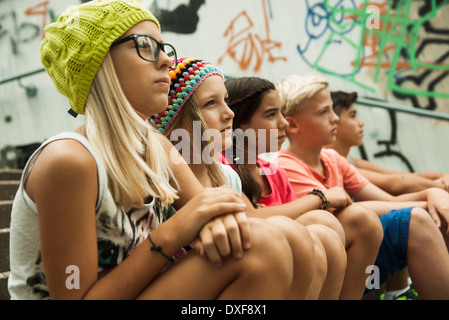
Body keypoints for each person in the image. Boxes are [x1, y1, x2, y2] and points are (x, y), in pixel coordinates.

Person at [8, 0, 295, 300]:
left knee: (290, 239)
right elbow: (73, 296)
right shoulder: (69, 161)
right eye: (145, 46)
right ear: (98, 64)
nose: (166, 62)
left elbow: (213, 215)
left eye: (164, 48)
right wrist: (174, 232)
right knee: (263, 247)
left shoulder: (156, 145)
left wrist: (212, 223)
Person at [151, 58, 340, 299]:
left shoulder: (228, 177)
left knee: (323, 232)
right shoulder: (162, 180)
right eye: (211, 103)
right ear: (177, 117)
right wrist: (320, 197)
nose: (229, 114)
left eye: (226, 101)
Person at [276, 73, 449, 300]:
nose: (335, 118)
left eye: (333, 110)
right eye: (324, 112)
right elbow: (347, 213)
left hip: (358, 253)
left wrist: (433, 192)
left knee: (436, 214)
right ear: (292, 124)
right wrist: (428, 202)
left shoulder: (332, 158)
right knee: (415, 220)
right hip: (332, 267)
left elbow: (390, 201)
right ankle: (401, 293)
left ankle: (403, 292)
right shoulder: (284, 164)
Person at [221, 76, 386, 300]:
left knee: (362, 219)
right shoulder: (223, 167)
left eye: (281, 113)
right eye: (271, 115)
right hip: (253, 265)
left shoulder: (274, 171)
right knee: (323, 224)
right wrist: (320, 197)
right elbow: (252, 216)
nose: (284, 123)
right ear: (239, 124)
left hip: (292, 261)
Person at [329, 90, 449, 195]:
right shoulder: (332, 163)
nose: (361, 123)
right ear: (334, 121)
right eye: (352, 116)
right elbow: (395, 184)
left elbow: (402, 176)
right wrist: (442, 186)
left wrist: (441, 176)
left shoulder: (350, 160)